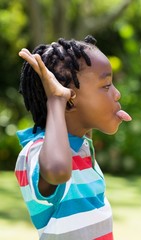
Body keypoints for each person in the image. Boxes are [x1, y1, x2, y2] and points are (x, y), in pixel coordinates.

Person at [14, 35, 132, 239]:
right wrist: (56, 100)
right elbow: (58, 172)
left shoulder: (81, 148)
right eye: (106, 86)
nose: (117, 94)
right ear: (69, 100)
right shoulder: (37, 152)